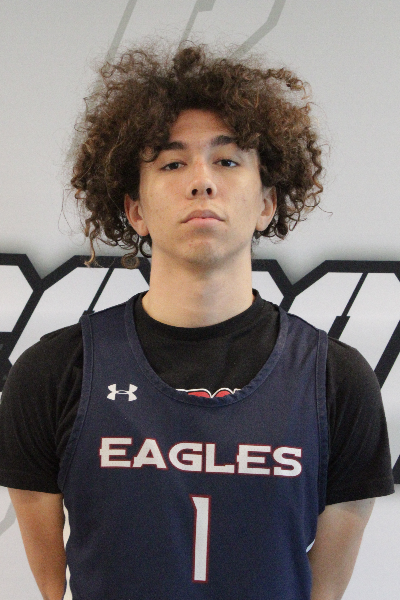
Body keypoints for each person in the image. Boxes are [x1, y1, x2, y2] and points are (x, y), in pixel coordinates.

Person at [0, 42, 394, 600]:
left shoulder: (337, 380)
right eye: (172, 163)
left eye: (227, 161)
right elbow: (50, 586)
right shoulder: (53, 372)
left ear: (267, 204)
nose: (201, 181)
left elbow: (323, 590)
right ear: (135, 209)